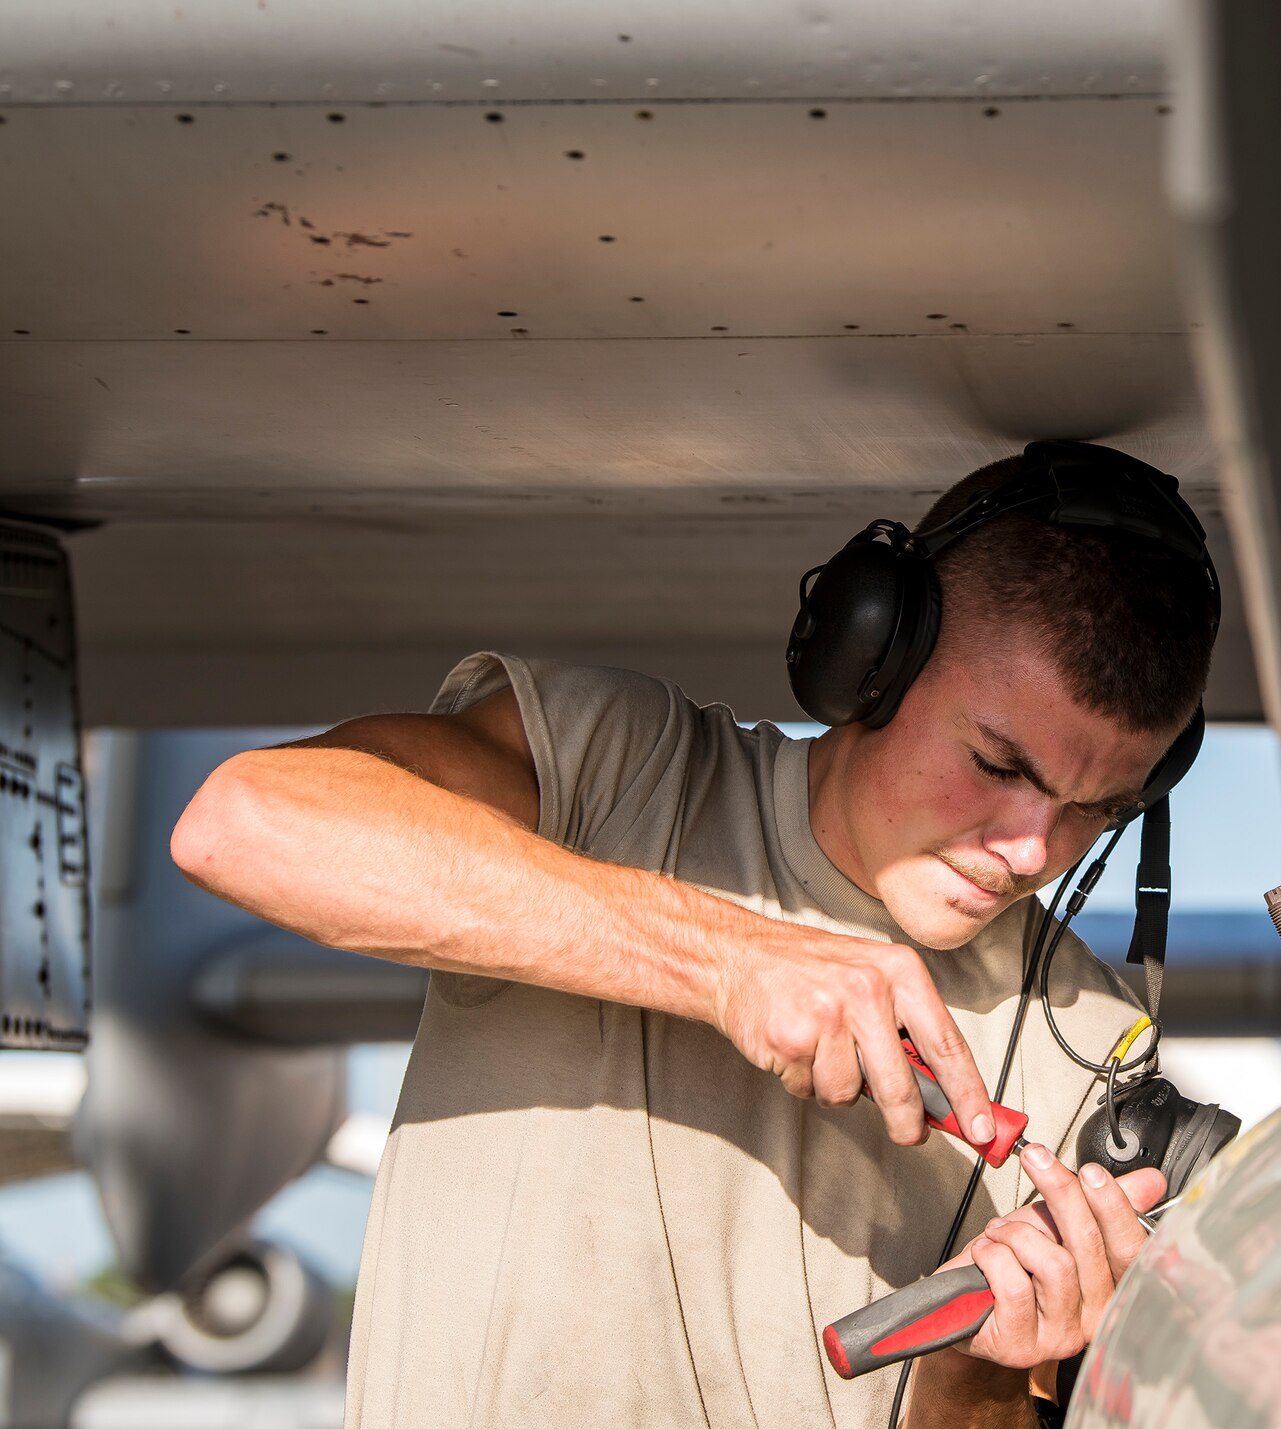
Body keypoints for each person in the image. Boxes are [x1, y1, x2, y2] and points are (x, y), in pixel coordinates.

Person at [171, 441, 1220, 1427]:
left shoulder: (1087, 1043)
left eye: (1098, 808)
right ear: (873, 658)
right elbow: (247, 823)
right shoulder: (620, 772)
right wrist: (725, 960)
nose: (1032, 850)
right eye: (998, 765)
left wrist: (977, 1379)